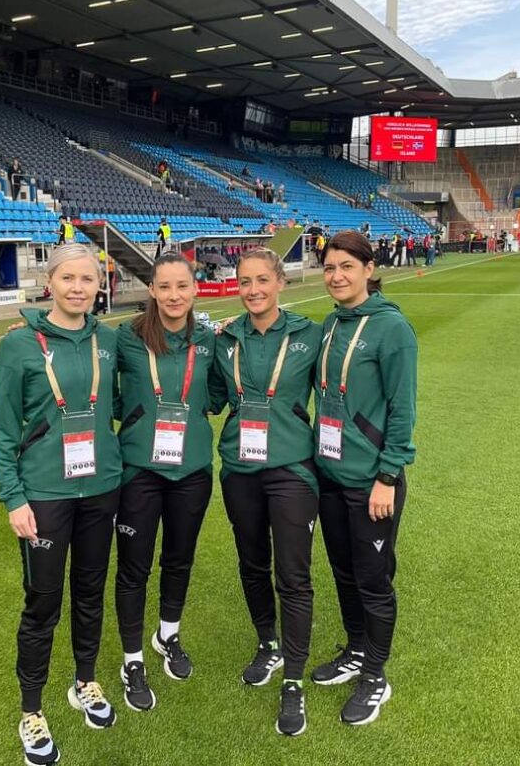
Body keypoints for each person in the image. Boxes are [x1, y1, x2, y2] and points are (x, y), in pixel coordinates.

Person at [0, 245, 124, 765]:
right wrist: (13, 497)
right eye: (67, 277)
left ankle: (85, 682)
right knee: (43, 603)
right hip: (43, 495)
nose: (77, 287)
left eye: (86, 279)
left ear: (98, 284)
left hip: (101, 488)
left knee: (90, 593)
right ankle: (31, 709)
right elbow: (3, 430)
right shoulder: (20, 345)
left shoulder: (110, 341)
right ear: (51, 281)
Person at [212, 248, 322, 736]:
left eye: (262, 280)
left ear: (281, 281)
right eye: (244, 282)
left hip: (292, 469)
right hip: (239, 467)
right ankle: (268, 644)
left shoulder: (309, 335)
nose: (253, 290)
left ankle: (293, 682)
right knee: (251, 563)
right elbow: (202, 387)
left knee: (293, 575)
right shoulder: (224, 339)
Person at [311, 231, 417, 727]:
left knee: (374, 581)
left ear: (369, 269)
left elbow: (402, 409)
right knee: (344, 572)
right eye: (330, 267)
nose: (336, 276)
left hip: (373, 481)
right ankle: (356, 649)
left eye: (347, 267)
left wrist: (388, 476)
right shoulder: (332, 322)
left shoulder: (391, 328)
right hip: (330, 474)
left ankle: (376, 674)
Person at [113, 253, 218, 712]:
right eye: (165, 287)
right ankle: (132, 659)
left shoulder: (211, 339)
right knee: (134, 567)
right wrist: (32, 325)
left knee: (179, 559)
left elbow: (217, 393)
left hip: (192, 470)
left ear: (195, 290)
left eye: (183, 286)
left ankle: (167, 636)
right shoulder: (126, 337)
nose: (174, 295)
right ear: (152, 291)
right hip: (140, 471)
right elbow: (78, 346)